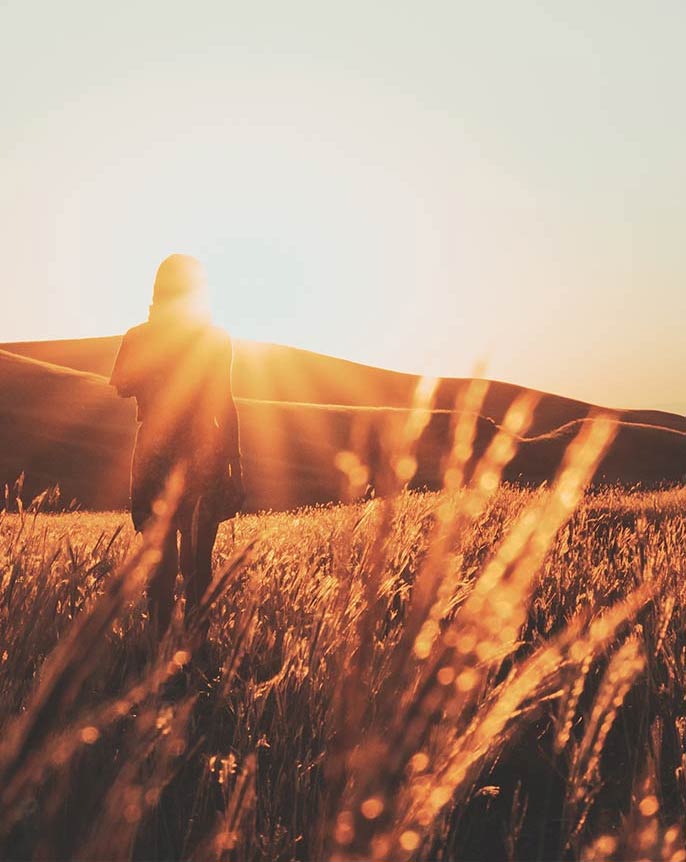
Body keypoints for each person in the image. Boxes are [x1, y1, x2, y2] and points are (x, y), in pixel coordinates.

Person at [110, 254, 244, 637]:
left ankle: (158, 649)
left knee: (160, 559)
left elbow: (121, 384)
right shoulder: (215, 337)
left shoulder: (138, 336)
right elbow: (225, 401)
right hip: (205, 452)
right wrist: (235, 462)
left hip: (155, 453)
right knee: (198, 561)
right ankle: (195, 650)